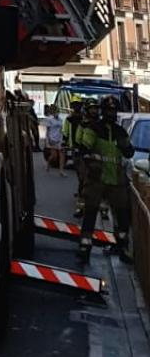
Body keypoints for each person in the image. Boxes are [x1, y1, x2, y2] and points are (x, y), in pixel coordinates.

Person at [77, 98, 133, 264]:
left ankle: (122, 247)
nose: (111, 113)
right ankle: (84, 249)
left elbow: (129, 152)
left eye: (113, 110)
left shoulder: (120, 131)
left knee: (122, 216)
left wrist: (124, 144)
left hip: (116, 180)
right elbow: (83, 149)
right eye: (108, 110)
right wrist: (90, 165)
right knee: (90, 214)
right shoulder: (93, 129)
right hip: (97, 179)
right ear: (104, 111)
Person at [43, 104, 66, 174]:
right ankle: (48, 163)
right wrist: (47, 139)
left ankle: (61, 170)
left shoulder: (61, 120)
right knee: (54, 156)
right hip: (52, 138)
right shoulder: (49, 119)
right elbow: (47, 130)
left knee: (62, 154)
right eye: (55, 111)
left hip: (60, 138)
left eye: (57, 111)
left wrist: (63, 138)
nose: (57, 112)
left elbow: (62, 129)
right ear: (52, 112)